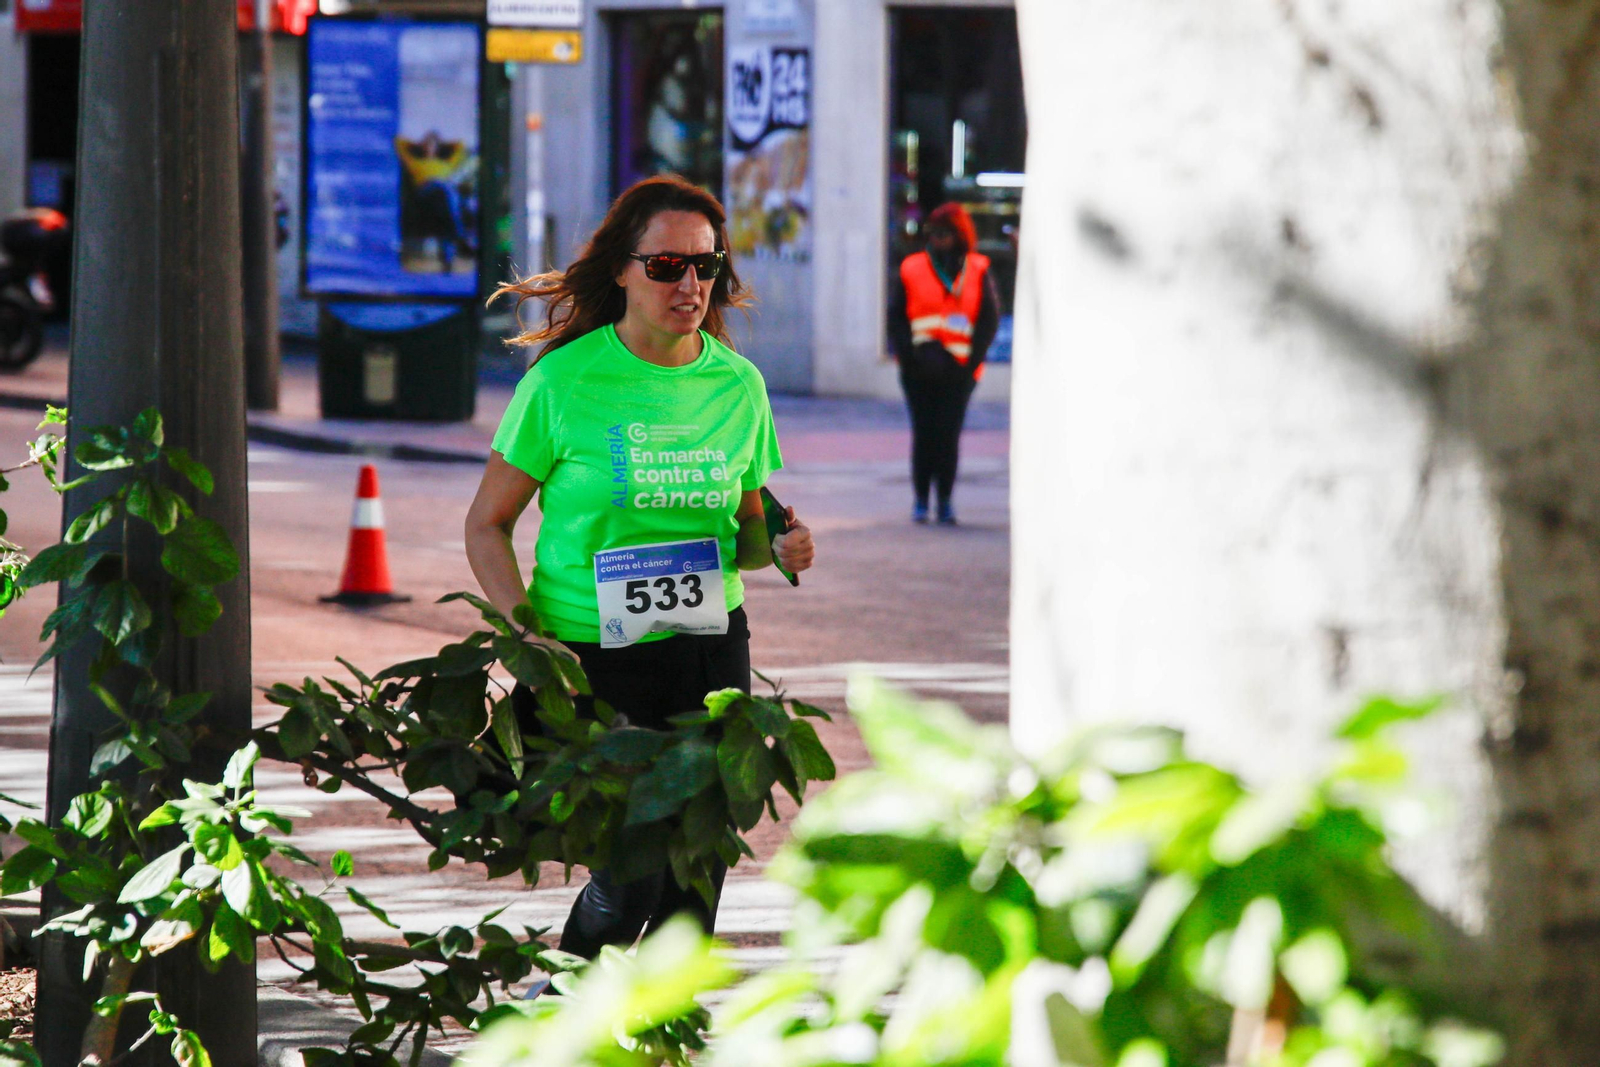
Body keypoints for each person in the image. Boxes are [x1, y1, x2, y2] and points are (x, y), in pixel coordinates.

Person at [464, 175, 815, 978]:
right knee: (631, 878)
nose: (689, 285)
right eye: (665, 265)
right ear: (622, 270)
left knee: (697, 881)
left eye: (705, 266)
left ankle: (659, 1040)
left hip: (707, 652)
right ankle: (571, 1020)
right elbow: (486, 524)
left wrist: (786, 548)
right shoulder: (563, 383)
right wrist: (526, 636)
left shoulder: (738, 386)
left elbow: (750, 535)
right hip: (590, 658)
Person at [888, 202, 1002, 525]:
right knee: (924, 434)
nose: (938, 240)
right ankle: (921, 501)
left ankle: (946, 501)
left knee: (948, 436)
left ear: (959, 235)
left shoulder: (978, 269)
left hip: (959, 371)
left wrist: (971, 364)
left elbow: (988, 320)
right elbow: (895, 317)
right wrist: (907, 360)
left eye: (945, 234)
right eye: (933, 234)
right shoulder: (912, 267)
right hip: (919, 369)